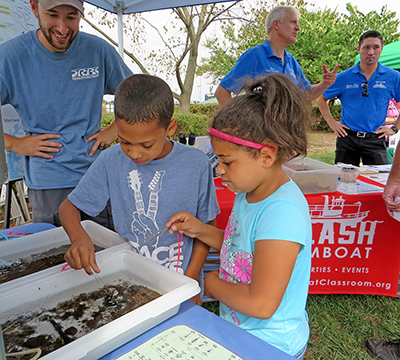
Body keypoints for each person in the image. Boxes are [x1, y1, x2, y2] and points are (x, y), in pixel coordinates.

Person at [167, 74, 312, 359]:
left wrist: (209, 282)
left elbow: (261, 304)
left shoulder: (283, 213)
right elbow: (240, 247)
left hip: (270, 345)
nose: (218, 170)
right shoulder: (248, 193)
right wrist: (198, 229)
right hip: (240, 331)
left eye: (227, 161)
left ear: (266, 157)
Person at [60, 74, 219, 305]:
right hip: (132, 283)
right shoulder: (111, 161)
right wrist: (79, 239)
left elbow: (207, 228)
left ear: (170, 127)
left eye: (146, 145)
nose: (134, 154)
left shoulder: (196, 164)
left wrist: (191, 280)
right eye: (124, 141)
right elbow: (69, 208)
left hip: (181, 280)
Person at [0, 0, 132, 227]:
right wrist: (13, 143)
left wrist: (115, 128)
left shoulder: (98, 50)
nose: (62, 29)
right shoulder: (11, 57)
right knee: (56, 257)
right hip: (49, 185)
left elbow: (140, 93)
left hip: (97, 178)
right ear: (34, 7)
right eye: (52, 15)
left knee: (104, 255)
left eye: (71, 17)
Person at [215, 5, 339, 107]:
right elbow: (222, 92)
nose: (298, 28)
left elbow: (306, 93)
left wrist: (325, 84)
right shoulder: (254, 56)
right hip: (261, 136)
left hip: (287, 134)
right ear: (276, 25)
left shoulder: (291, 61)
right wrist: (240, 126)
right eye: (293, 22)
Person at [316, 30, 400, 167]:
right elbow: (321, 98)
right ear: (359, 49)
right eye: (366, 47)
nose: (371, 52)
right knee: (344, 182)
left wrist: (395, 129)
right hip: (347, 138)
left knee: (377, 183)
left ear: (382, 49)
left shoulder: (393, 77)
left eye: (376, 47)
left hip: (375, 138)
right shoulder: (344, 77)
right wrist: (331, 122)